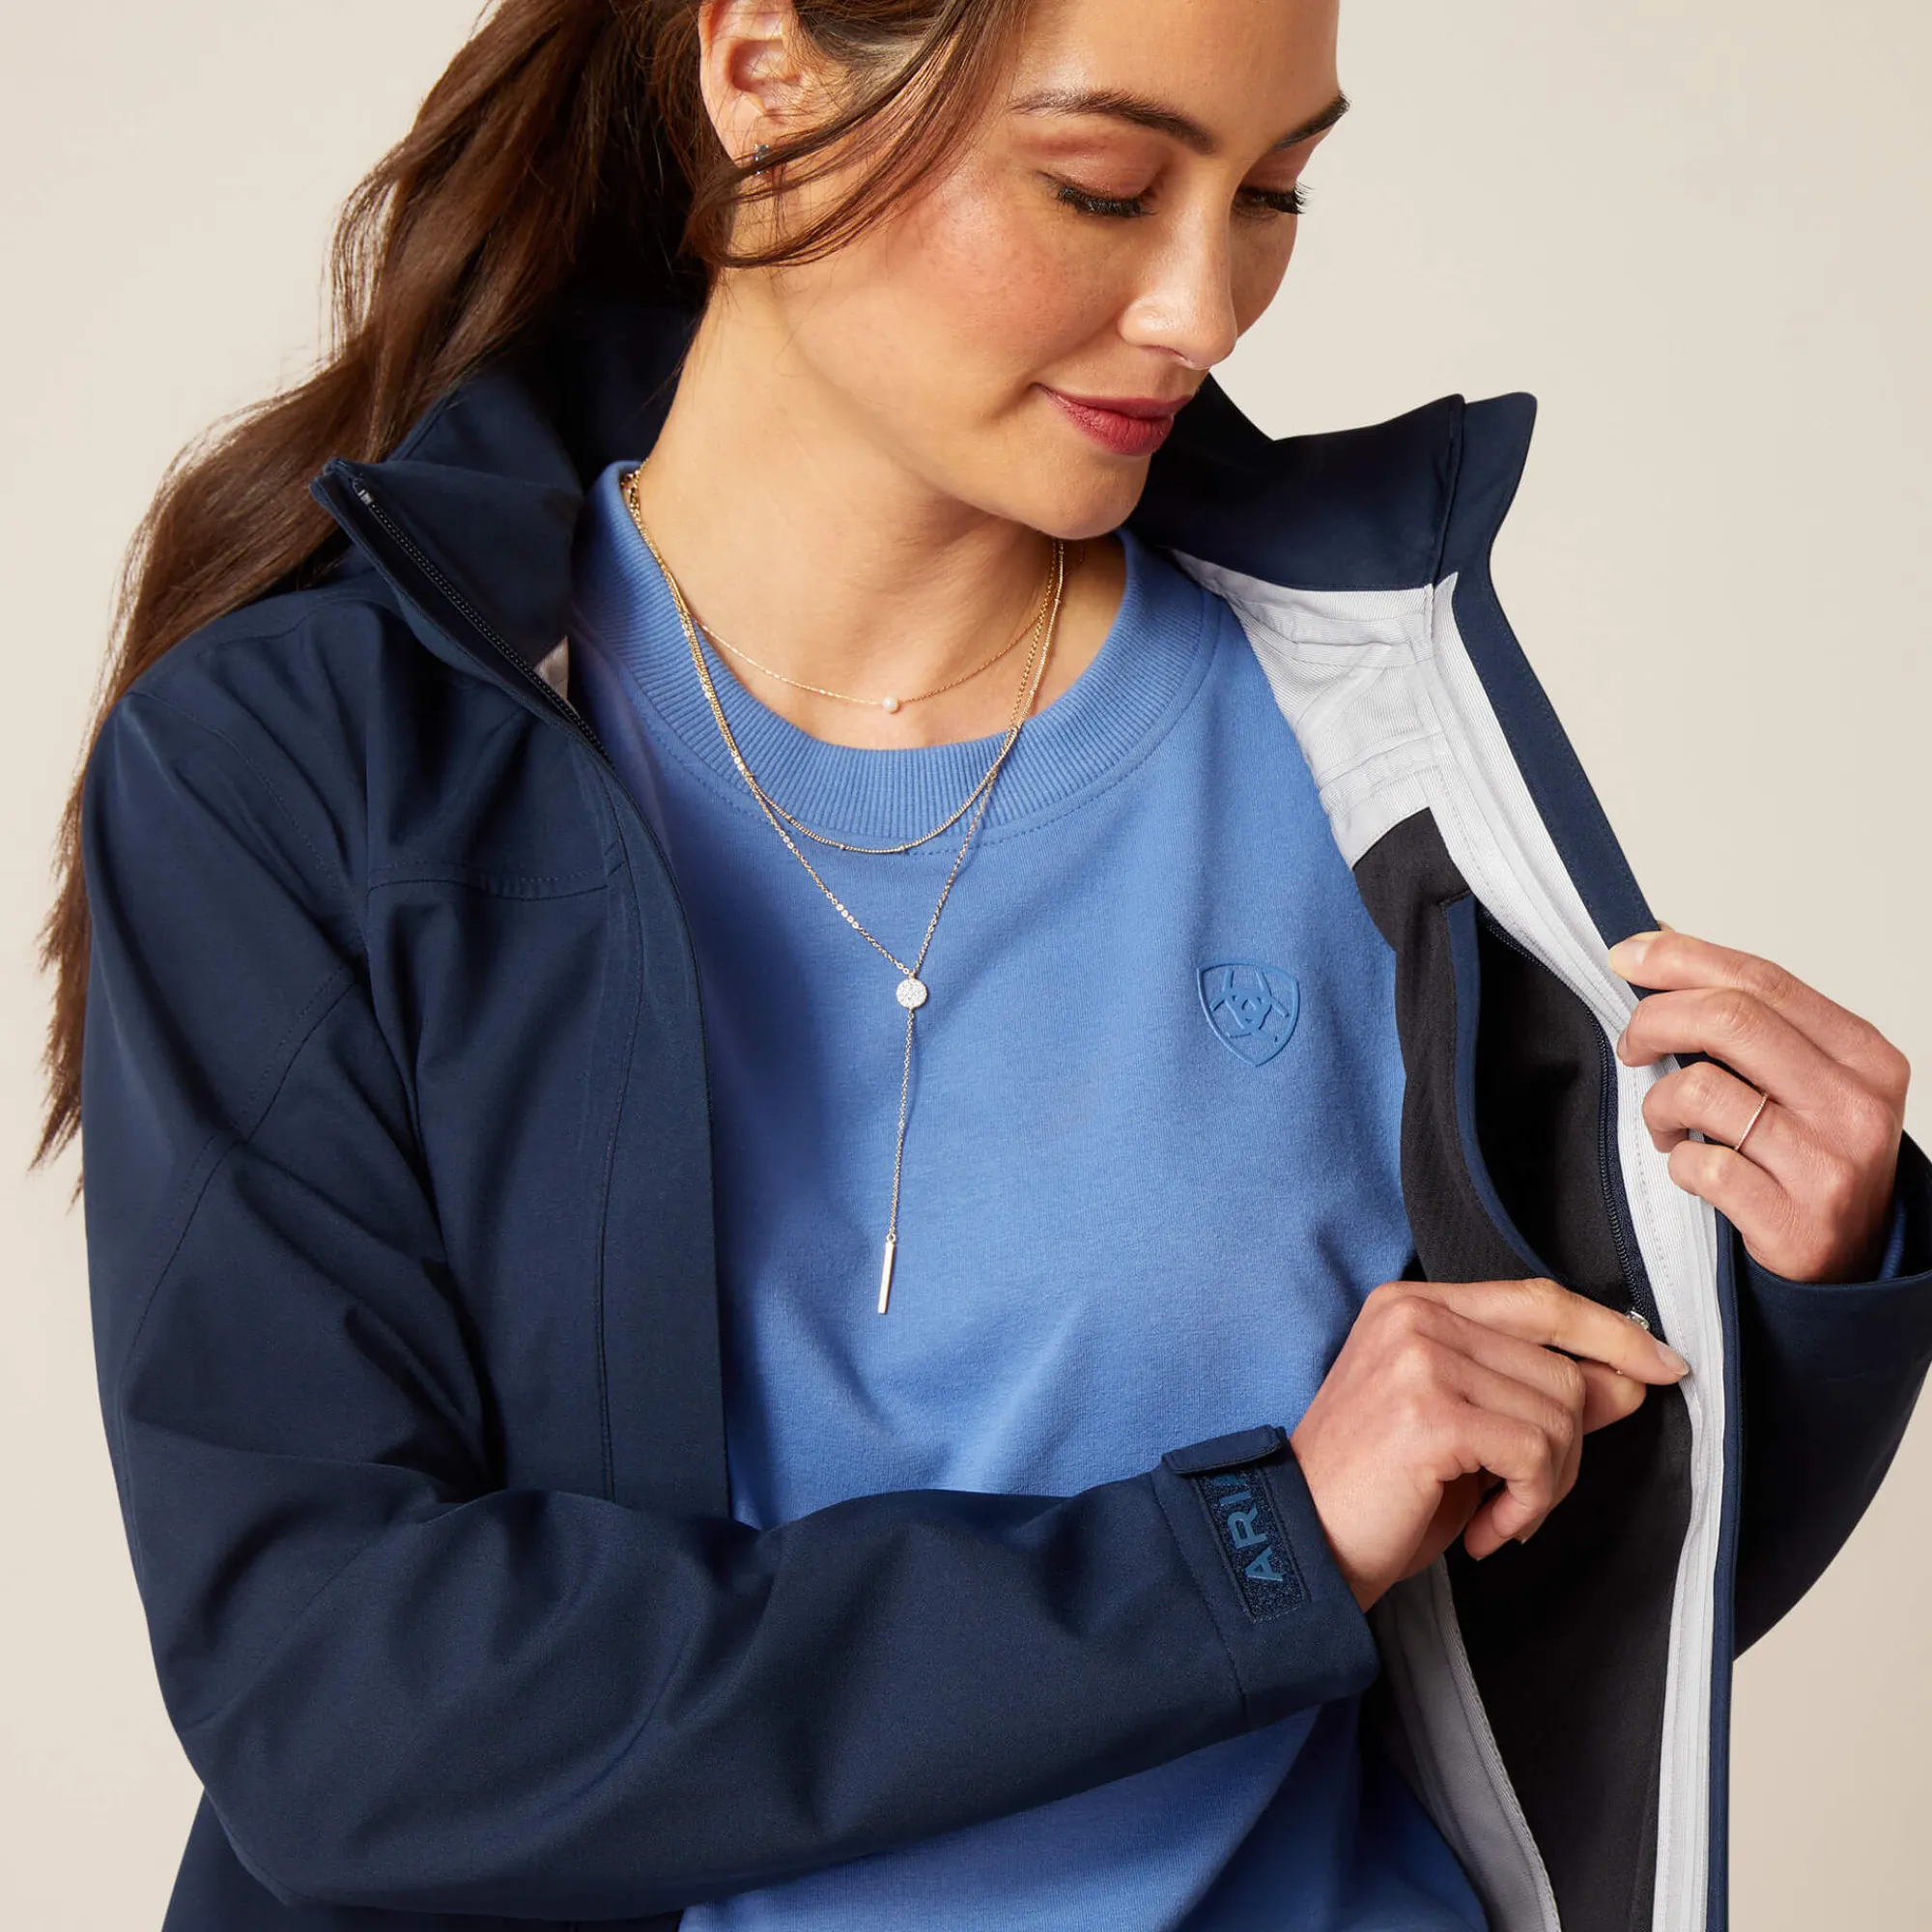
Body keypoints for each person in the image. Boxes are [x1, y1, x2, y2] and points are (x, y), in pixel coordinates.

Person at [43, 2, 1929, 1928]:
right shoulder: (310, 766)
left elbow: (1523, 1641)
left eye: (1273, 192)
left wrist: (1802, 1290)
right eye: (1101, 186)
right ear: (764, 71)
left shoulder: (1371, 741)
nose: (1204, 308)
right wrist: (1247, 1550)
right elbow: (352, 1716)